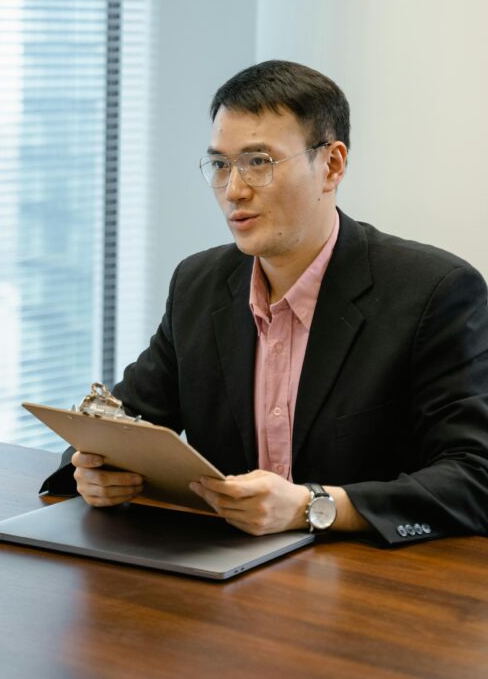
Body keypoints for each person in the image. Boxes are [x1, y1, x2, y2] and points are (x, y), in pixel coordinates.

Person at [42, 60, 488, 545]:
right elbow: (121, 423)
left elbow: (474, 477)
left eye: (259, 162)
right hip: (227, 578)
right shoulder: (199, 284)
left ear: (332, 165)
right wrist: (92, 470)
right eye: (220, 165)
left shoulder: (435, 291)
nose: (234, 190)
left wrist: (316, 505)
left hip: (369, 585)